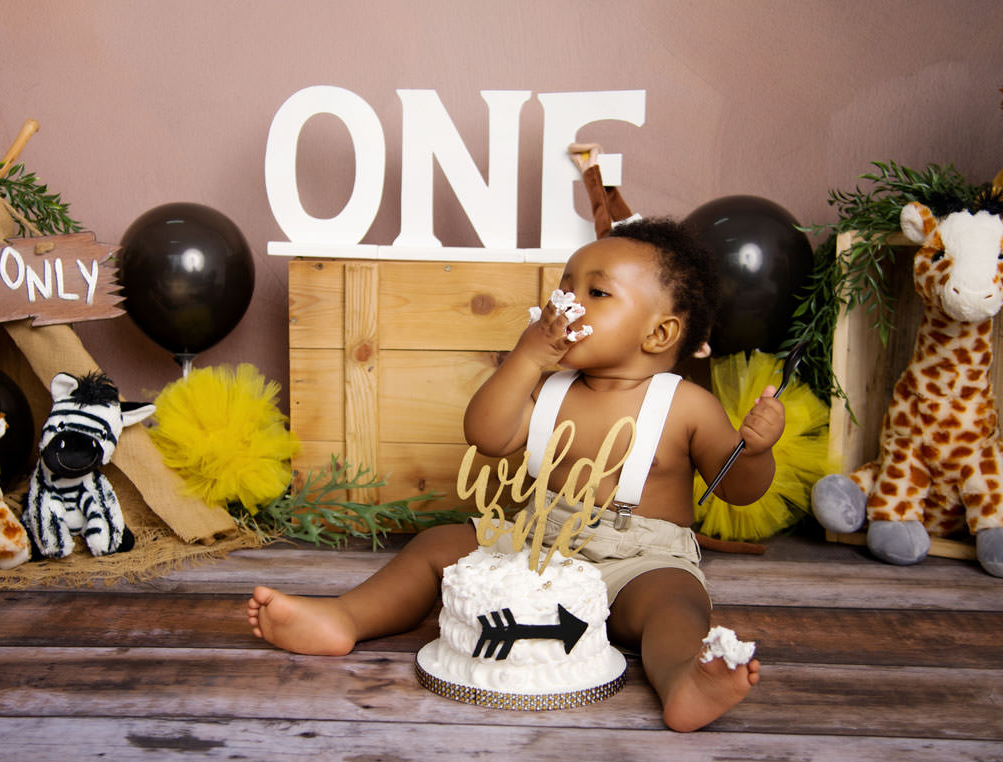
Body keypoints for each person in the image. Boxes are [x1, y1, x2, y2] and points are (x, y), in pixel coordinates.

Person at [247, 217, 785, 732]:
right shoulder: (547, 389)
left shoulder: (686, 405)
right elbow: (486, 434)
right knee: (436, 544)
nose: (567, 302)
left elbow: (734, 489)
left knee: (674, 604)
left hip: (639, 560)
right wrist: (525, 360)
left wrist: (755, 452)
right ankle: (346, 618)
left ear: (660, 331)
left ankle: (684, 681)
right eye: (563, 287)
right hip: (536, 542)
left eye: (596, 293)